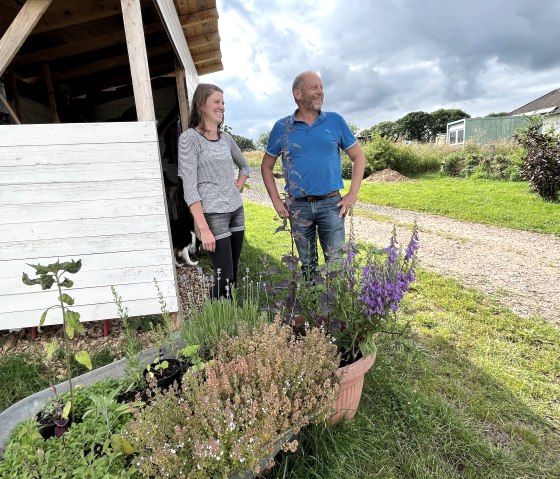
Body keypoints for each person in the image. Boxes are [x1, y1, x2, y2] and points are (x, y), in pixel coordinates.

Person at [261, 70, 366, 277]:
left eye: (322, 87)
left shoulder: (335, 121)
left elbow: (359, 157)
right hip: (298, 207)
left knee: (336, 265)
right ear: (297, 94)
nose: (321, 92)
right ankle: (314, 306)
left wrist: (352, 194)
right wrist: (276, 200)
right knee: (308, 265)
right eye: (314, 87)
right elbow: (266, 166)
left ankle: (334, 309)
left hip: (331, 205)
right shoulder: (282, 127)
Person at [178, 83, 250, 298]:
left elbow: (245, 167)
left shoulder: (226, 138)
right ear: (202, 105)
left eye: (223, 103)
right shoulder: (189, 139)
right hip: (213, 214)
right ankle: (214, 319)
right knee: (224, 275)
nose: (222, 107)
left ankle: (230, 321)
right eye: (217, 102)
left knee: (233, 274)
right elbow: (189, 188)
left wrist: (235, 187)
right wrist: (203, 228)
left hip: (236, 210)